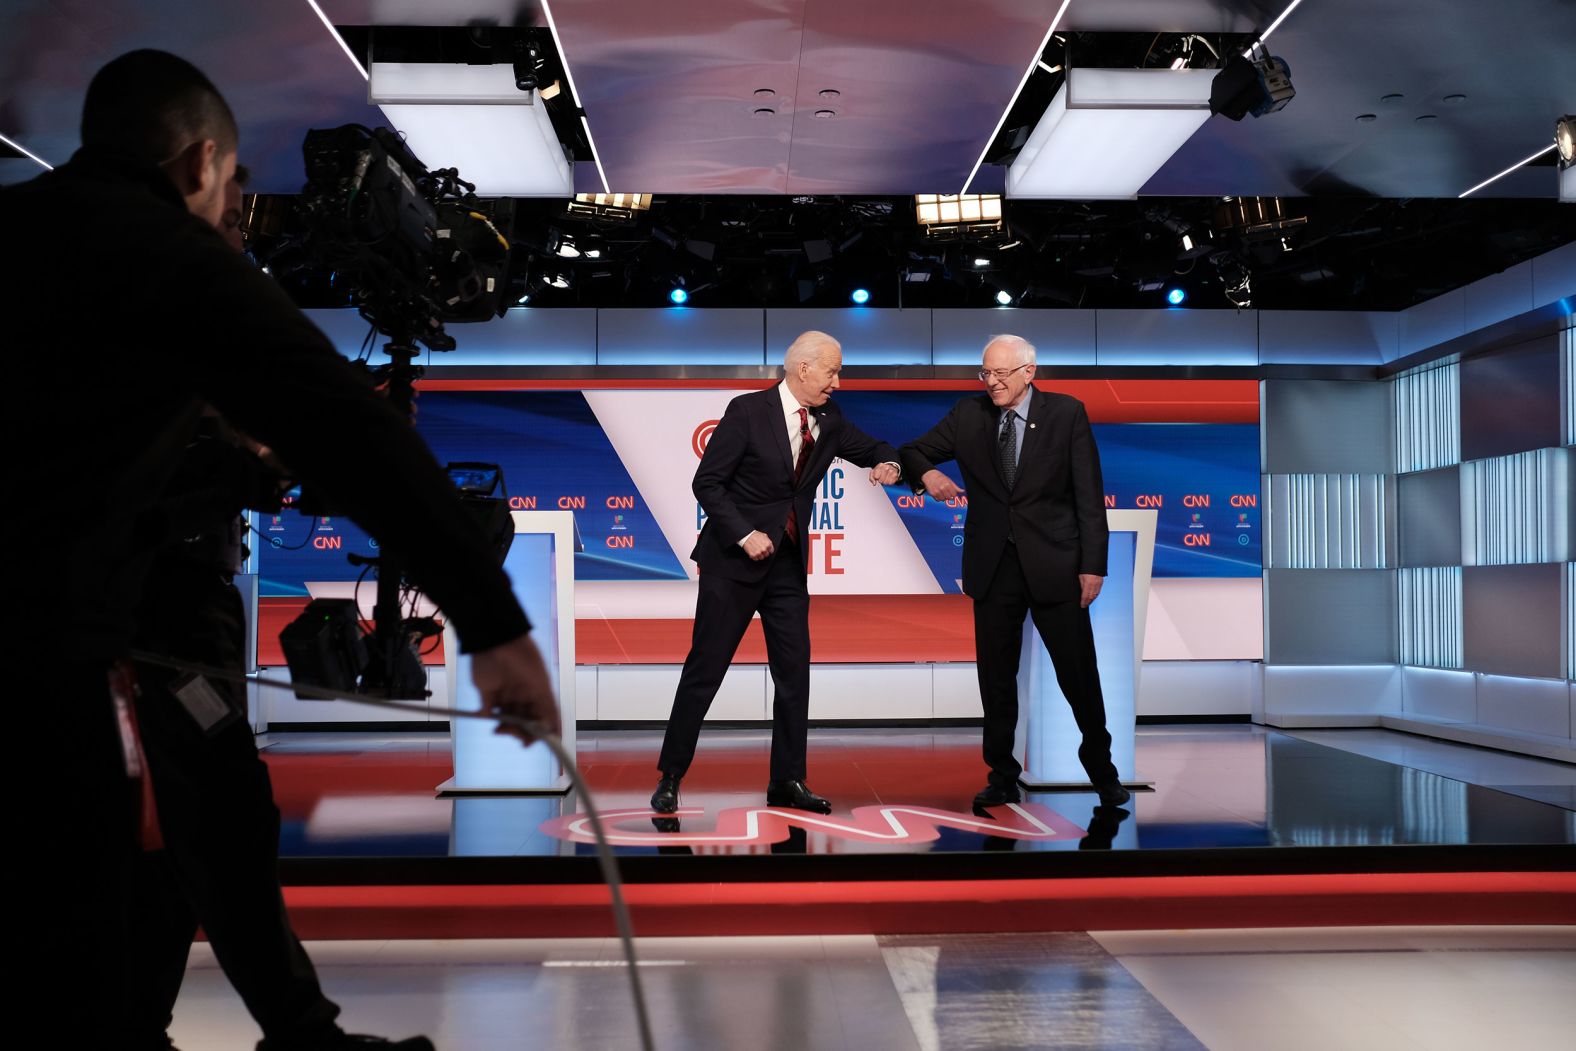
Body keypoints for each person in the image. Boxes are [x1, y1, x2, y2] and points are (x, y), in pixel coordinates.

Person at [4, 49, 558, 1046]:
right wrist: (493, 623)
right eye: (228, 185)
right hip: (63, 663)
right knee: (177, 841)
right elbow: (349, 429)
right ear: (198, 162)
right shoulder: (162, 255)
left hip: (83, 644)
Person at [651, 331, 900, 816]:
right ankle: (671, 776)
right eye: (832, 371)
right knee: (706, 669)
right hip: (733, 563)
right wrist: (745, 534)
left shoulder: (829, 420)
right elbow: (708, 483)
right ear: (803, 368)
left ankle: (787, 779)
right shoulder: (747, 411)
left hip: (786, 566)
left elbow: (873, 447)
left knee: (794, 672)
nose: (838, 382)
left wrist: (888, 463)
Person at [899, 334, 1130, 809]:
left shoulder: (1066, 413)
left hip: (1056, 565)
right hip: (993, 567)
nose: (993, 382)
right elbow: (913, 450)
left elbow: (1089, 492)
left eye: (1002, 373)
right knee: (997, 679)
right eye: (986, 373)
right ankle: (1002, 774)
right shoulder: (969, 415)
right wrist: (927, 474)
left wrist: (1093, 564)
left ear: (1029, 372)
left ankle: (1103, 770)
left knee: (1079, 673)